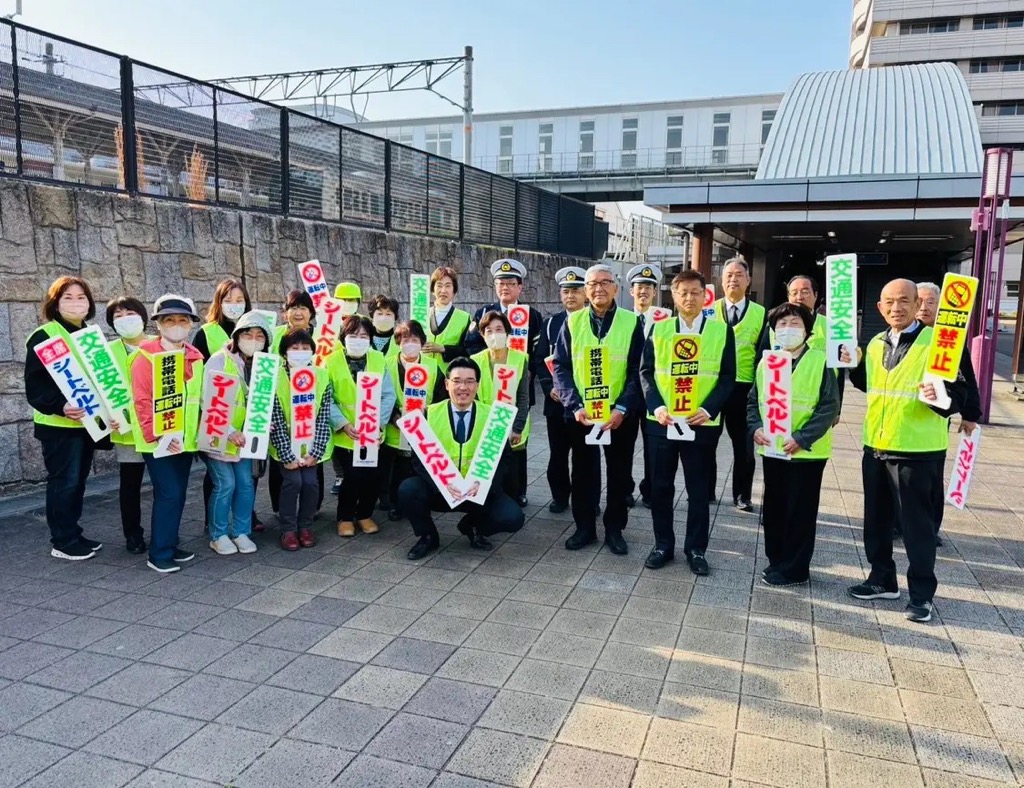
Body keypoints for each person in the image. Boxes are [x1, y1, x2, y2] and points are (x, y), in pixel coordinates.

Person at [847, 278, 973, 623]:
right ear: (879, 307)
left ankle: (921, 595)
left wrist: (943, 400)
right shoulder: (874, 343)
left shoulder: (940, 342)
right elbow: (868, 383)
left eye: (904, 301)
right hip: (876, 446)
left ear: (918, 303)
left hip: (918, 451)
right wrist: (850, 363)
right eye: (888, 302)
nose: (896, 308)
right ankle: (881, 579)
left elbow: (960, 393)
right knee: (876, 521)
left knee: (917, 528)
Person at [640, 269, 736, 575]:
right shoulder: (660, 329)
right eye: (683, 292)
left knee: (698, 490)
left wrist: (709, 409)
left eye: (696, 292)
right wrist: (656, 408)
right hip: (663, 423)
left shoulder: (721, 331)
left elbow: (726, 377)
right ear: (674, 296)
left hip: (700, 424)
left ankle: (696, 549)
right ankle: (662, 545)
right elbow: (644, 373)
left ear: (705, 295)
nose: (689, 298)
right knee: (661, 487)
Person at [552, 263, 645, 555]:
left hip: (619, 416)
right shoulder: (572, 322)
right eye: (592, 284)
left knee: (619, 474)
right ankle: (584, 528)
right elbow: (560, 366)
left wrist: (623, 408)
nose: (598, 288)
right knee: (583, 473)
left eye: (605, 282)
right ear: (585, 290)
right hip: (581, 416)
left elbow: (638, 370)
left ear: (616, 288)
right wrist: (574, 404)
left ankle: (615, 530)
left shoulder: (632, 322)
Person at [747, 303, 839, 586]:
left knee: (800, 510)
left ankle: (796, 568)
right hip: (773, 449)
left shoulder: (820, 361)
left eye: (795, 323)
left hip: (806, 454)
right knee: (774, 507)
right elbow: (753, 401)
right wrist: (756, 428)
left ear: (808, 330)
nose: (788, 329)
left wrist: (802, 438)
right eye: (782, 324)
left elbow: (829, 406)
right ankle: (777, 560)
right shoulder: (768, 362)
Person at [399, 357, 526, 560]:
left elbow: (505, 460)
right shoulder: (428, 414)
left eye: (469, 381)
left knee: (513, 517)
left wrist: (484, 484)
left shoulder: (494, 418)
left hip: (478, 491)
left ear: (477, 384)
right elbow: (418, 461)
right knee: (408, 489)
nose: (463, 387)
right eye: (457, 381)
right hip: (442, 491)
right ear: (447, 383)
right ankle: (428, 536)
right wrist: (440, 484)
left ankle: (472, 525)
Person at [23, 276, 107, 561]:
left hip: (86, 422)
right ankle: (62, 540)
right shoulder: (45, 335)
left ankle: (73, 531)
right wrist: (59, 406)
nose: (76, 302)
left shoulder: (90, 335)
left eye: (81, 297)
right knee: (65, 481)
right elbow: (36, 386)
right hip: (59, 425)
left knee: (78, 480)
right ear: (55, 303)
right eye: (67, 297)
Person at [130, 294, 204, 573]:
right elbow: (142, 399)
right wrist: (158, 435)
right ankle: (159, 552)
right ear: (158, 324)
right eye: (169, 320)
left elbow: (197, 398)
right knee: (169, 493)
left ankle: (170, 543)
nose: (176, 325)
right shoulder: (145, 357)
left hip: (184, 438)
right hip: (158, 440)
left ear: (190, 325)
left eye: (182, 320)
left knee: (179, 493)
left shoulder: (195, 357)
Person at [467, 259, 543, 504]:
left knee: (517, 444)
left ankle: (518, 491)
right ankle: (489, 487)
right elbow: (471, 344)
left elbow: (538, 350)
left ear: (520, 287)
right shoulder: (483, 313)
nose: (505, 288)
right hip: (489, 386)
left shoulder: (533, 315)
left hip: (518, 385)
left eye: (511, 283)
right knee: (488, 442)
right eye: (501, 283)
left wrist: (529, 370)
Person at [916, 281, 982, 546]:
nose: (923, 307)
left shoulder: (948, 340)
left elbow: (968, 378)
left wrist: (970, 414)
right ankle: (898, 524)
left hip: (934, 422)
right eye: (918, 301)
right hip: (899, 422)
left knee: (931, 478)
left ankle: (930, 528)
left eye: (930, 302)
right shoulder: (899, 335)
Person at [201, 312, 269, 556]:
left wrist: (264, 425)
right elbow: (207, 400)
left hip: (247, 440)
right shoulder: (220, 360)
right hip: (219, 435)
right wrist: (229, 431)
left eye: (259, 336)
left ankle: (242, 531)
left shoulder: (265, 366)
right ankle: (218, 535)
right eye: (248, 334)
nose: (253, 339)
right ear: (236, 336)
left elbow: (264, 403)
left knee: (246, 484)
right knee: (225, 485)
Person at [537, 266, 600, 514]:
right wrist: (549, 386)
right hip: (556, 402)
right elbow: (539, 358)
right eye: (566, 291)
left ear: (585, 293)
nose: (570, 296)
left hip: (588, 401)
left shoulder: (595, 321)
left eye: (575, 291)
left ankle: (589, 501)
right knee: (558, 455)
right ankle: (560, 496)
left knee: (588, 458)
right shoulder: (551, 323)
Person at [327, 315, 396, 537]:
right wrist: (342, 423)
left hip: (371, 431)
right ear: (343, 337)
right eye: (353, 335)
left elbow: (388, 395)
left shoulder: (377, 359)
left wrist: (379, 424)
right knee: (352, 476)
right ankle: (345, 517)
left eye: (364, 335)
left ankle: (365, 514)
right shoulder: (331, 361)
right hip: (346, 433)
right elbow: (326, 398)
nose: (358, 339)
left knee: (373, 475)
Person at [709, 257, 766, 512]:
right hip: (711, 386)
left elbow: (764, 354)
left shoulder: (761, 313)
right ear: (721, 281)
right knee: (706, 442)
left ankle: (742, 495)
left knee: (744, 446)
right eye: (728, 275)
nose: (733, 279)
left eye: (739, 275)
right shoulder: (708, 310)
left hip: (745, 388)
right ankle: (706, 490)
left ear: (748, 280)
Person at [269, 329, 335, 550]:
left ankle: (305, 526)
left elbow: (324, 416)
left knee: (311, 483)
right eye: (294, 348)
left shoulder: (322, 376)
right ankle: (288, 529)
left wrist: (315, 452)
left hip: (311, 447)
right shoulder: (275, 377)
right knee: (293, 482)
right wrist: (287, 455)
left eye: (305, 348)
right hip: (285, 446)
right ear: (284, 352)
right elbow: (275, 416)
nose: (299, 352)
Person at [381, 319, 446, 520]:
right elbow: (381, 395)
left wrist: (429, 416)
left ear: (422, 342)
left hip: (421, 429)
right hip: (393, 430)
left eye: (415, 339)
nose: (410, 343)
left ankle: (416, 505)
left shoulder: (432, 366)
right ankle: (393, 504)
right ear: (398, 341)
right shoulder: (386, 364)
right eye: (405, 339)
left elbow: (441, 396)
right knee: (394, 471)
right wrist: (395, 417)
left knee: (416, 470)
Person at [105, 296, 154, 554]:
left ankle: (164, 533)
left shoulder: (158, 345)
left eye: (130, 313)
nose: (125, 319)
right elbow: (96, 389)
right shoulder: (106, 352)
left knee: (164, 484)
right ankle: (133, 535)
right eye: (118, 315)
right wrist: (104, 415)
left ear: (143, 316)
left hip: (158, 427)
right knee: (130, 485)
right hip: (125, 430)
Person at [623, 264, 671, 508]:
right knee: (625, 445)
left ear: (655, 292)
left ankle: (650, 490)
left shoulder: (665, 321)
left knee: (654, 447)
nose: (643, 292)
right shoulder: (622, 320)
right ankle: (626, 490)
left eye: (648, 288)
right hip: (630, 393)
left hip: (655, 393)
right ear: (631, 291)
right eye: (639, 287)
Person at [471, 311, 531, 504]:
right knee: (489, 466)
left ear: (507, 333)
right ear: (482, 335)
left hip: (514, 423)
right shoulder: (476, 360)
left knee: (514, 465)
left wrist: (518, 426)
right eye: (489, 331)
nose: (494, 335)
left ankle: (517, 496)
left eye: (499, 329)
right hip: (486, 423)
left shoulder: (520, 358)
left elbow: (523, 396)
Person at [423, 266, 471, 375]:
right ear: (432, 290)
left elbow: (468, 350)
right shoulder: (420, 314)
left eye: (448, 286)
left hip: (450, 376)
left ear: (454, 291)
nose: (443, 290)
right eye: (439, 285)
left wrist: (443, 349)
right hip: (421, 376)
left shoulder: (464, 318)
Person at [193, 278, 250, 360]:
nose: (234, 305)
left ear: (246, 303)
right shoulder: (206, 332)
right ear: (219, 303)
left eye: (239, 300)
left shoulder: (254, 330)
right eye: (228, 301)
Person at [270, 289, 316, 355]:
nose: (298, 313)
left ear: (311, 313)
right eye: (294, 308)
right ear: (286, 312)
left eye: (303, 308)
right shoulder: (273, 334)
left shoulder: (323, 336)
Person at [368, 294, 400, 361]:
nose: (383, 318)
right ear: (372, 316)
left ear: (395, 318)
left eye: (388, 314)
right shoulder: (363, 337)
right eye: (380, 314)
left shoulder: (402, 339)